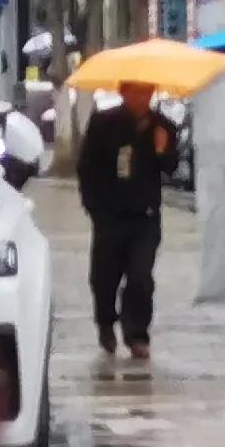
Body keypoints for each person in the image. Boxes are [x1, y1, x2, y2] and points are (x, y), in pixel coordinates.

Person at [77, 81, 176, 359]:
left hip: (145, 217)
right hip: (110, 215)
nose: (142, 98)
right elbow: (86, 168)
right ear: (123, 93)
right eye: (137, 92)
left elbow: (171, 167)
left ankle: (137, 334)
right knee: (105, 277)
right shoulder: (104, 123)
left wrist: (162, 149)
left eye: (148, 92)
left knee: (140, 276)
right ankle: (106, 322)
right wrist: (94, 207)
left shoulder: (162, 126)